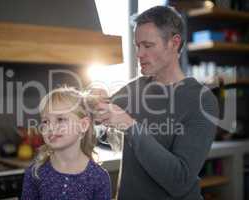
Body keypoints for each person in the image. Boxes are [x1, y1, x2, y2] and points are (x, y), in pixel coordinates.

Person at [94, 6, 219, 200]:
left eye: (148, 45)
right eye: (137, 46)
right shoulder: (133, 89)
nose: (139, 54)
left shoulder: (202, 100)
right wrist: (92, 101)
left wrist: (130, 125)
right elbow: (100, 124)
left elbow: (180, 180)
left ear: (174, 43)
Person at [21, 87, 111, 200]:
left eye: (60, 119)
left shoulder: (99, 177)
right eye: (45, 121)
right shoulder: (35, 173)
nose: (51, 127)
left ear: (83, 125)